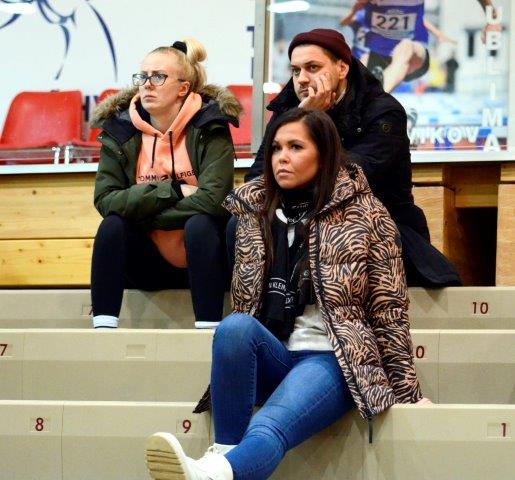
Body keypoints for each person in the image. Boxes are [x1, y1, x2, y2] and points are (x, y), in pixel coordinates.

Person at [145, 108, 430, 480]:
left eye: (296, 147)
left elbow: (388, 312)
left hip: (333, 357)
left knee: (269, 426)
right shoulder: (253, 213)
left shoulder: (367, 215)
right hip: (274, 352)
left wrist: (407, 392)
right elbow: (246, 304)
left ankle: (213, 473)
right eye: (277, 147)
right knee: (234, 327)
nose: (282, 157)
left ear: (324, 154)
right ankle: (224, 459)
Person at [240, 28, 461, 288]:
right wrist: (300, 118)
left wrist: (310, 123)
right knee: (239, 223)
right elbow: (256, 179)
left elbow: (349, 182)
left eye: (313, 67)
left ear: (342, 68)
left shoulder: (382, 112)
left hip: (375, 228)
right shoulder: (287, 111)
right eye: (296, 70)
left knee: (323, 228)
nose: (302, 79)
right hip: (300, 220)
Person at [90, 38, 242, 329]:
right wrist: (172, 190)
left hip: (207, 261)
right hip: (149, 265)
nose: (147, 85)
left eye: (158, 77)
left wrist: (142, 210)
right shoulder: (119, 129)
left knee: (200, 224)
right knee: (112, 226)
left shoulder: (211, 125)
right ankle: (103, 327)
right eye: (143, 77)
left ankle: (208, 328)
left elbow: (214, 200)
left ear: (183, 88)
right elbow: (106, 200)